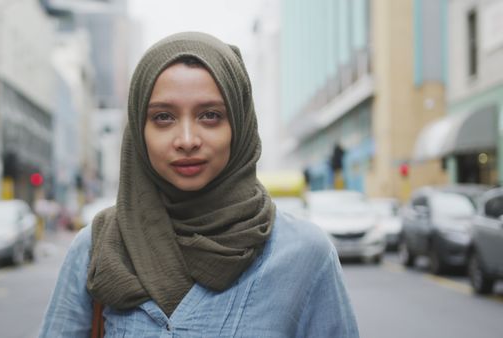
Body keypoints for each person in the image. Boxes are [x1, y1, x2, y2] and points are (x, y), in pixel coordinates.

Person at [39, 32, 359, 337]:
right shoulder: (98, 246)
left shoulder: (304, 255)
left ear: (240, 125)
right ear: (138, 130)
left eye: (210, 116)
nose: (188, 140)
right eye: (163, 117)